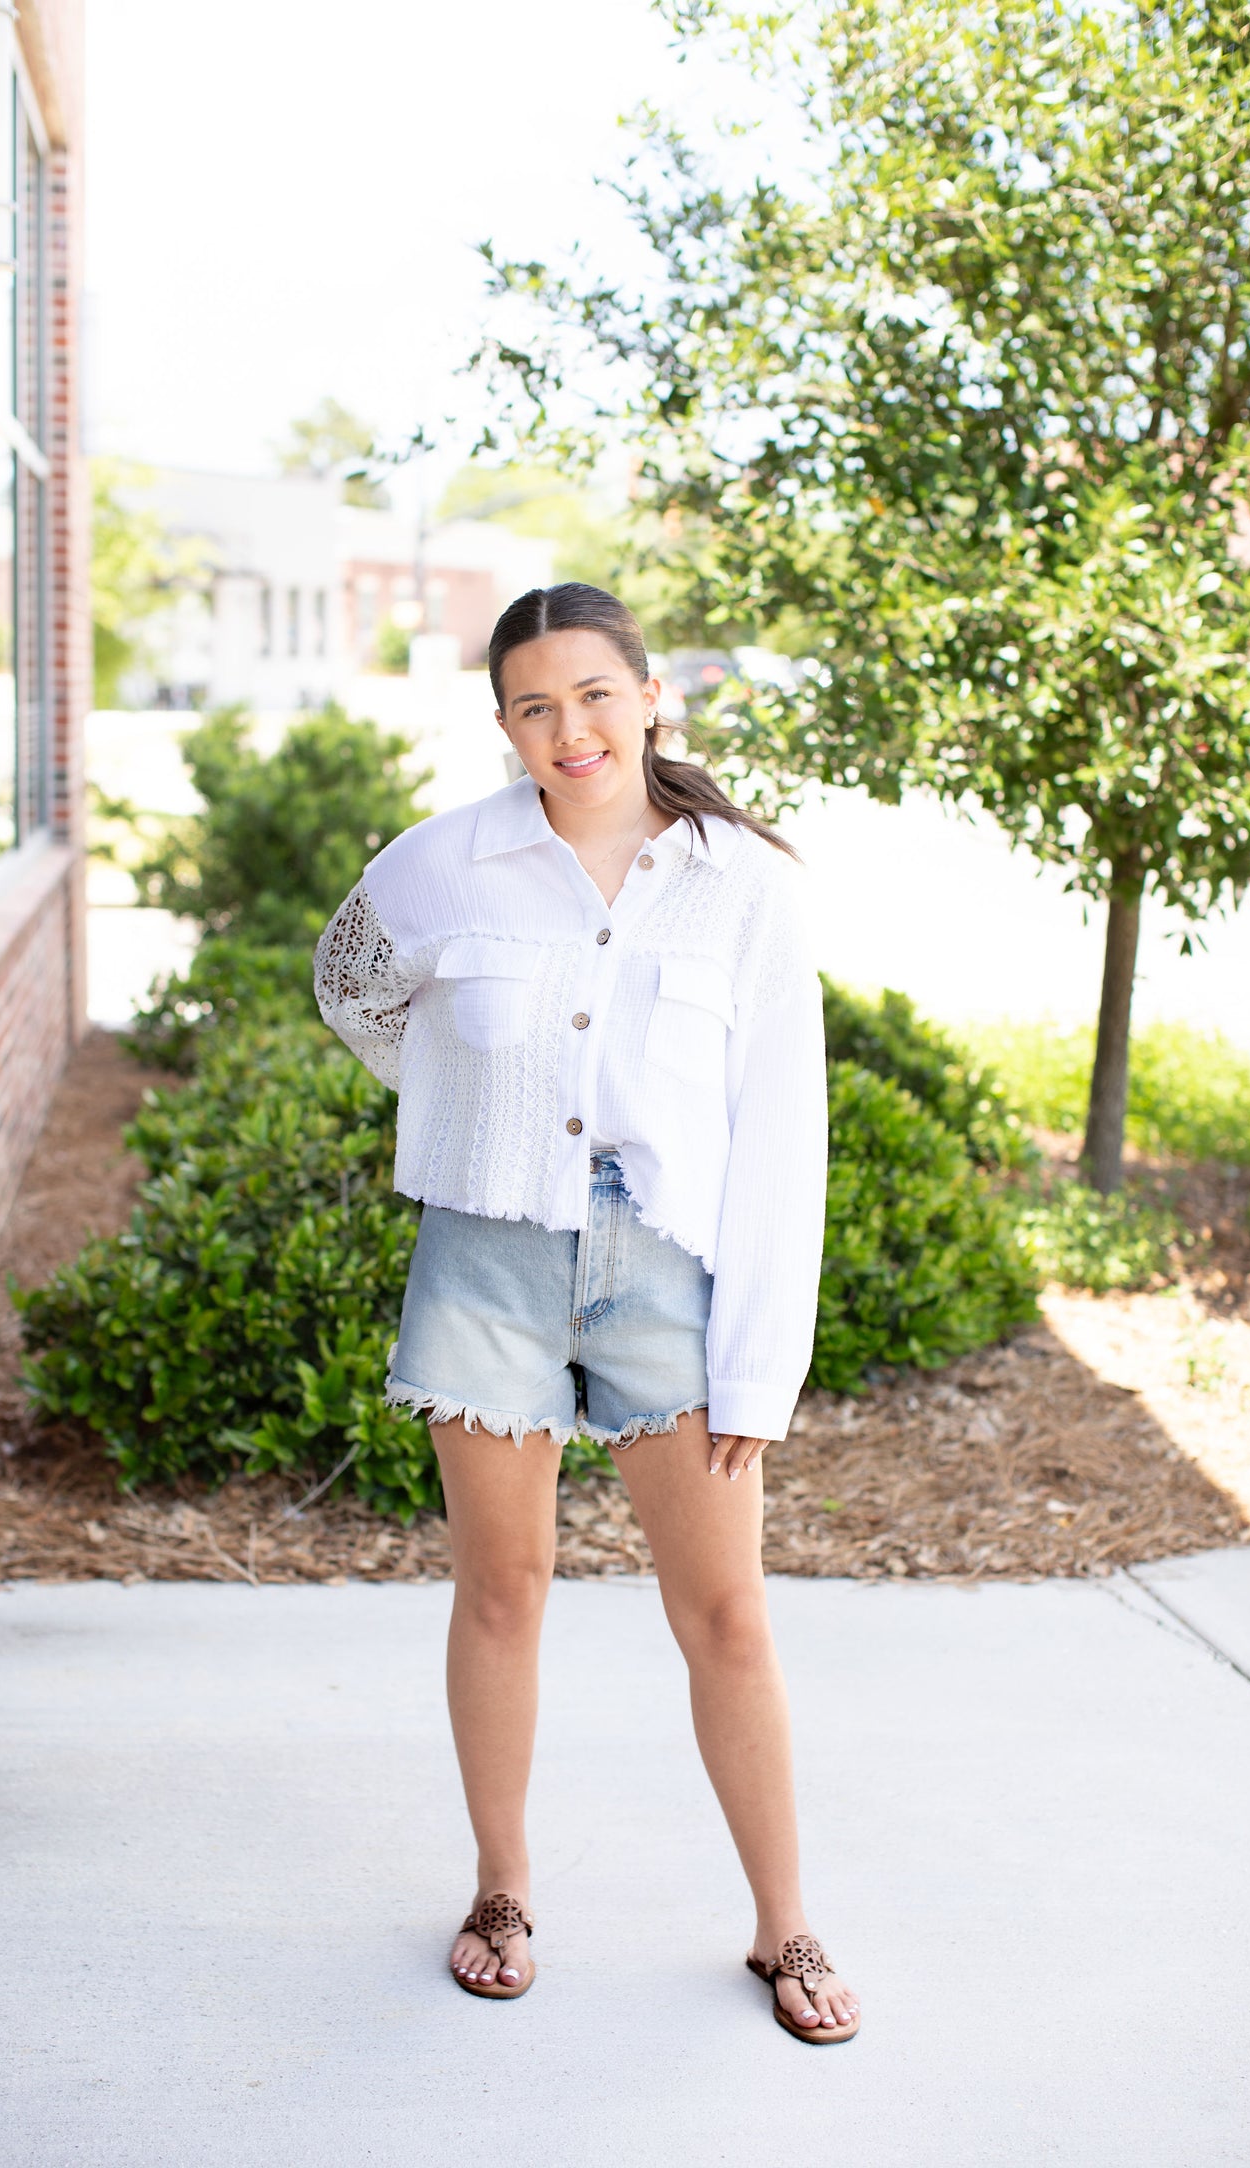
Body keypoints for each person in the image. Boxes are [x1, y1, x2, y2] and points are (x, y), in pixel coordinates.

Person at [314, 582, 859, 2043]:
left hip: (664, 1264)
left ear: (651, 695)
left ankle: (783, 1926)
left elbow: (780, 1131)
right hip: (486, 1252)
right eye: (535, 705)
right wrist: (464, 1095)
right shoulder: (444, 865)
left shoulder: (738, 885)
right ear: (502, 722)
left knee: (726, 1614)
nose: (570, 730)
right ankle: (500, 1888)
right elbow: (351, 988)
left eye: (595, 695)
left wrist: (759, 1367)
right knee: (504, 1590)